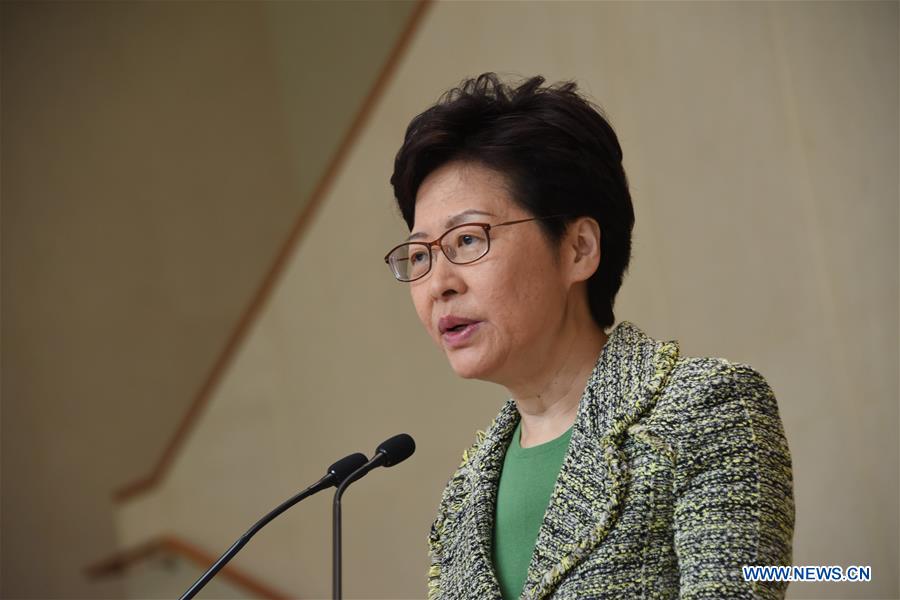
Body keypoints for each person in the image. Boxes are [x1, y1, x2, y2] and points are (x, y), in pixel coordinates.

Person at [383, 72, 795, 600]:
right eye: (420, 255)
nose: (438, 283)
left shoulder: (706, 409)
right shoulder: (462, 500)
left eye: (467, 239)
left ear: (579, 248)